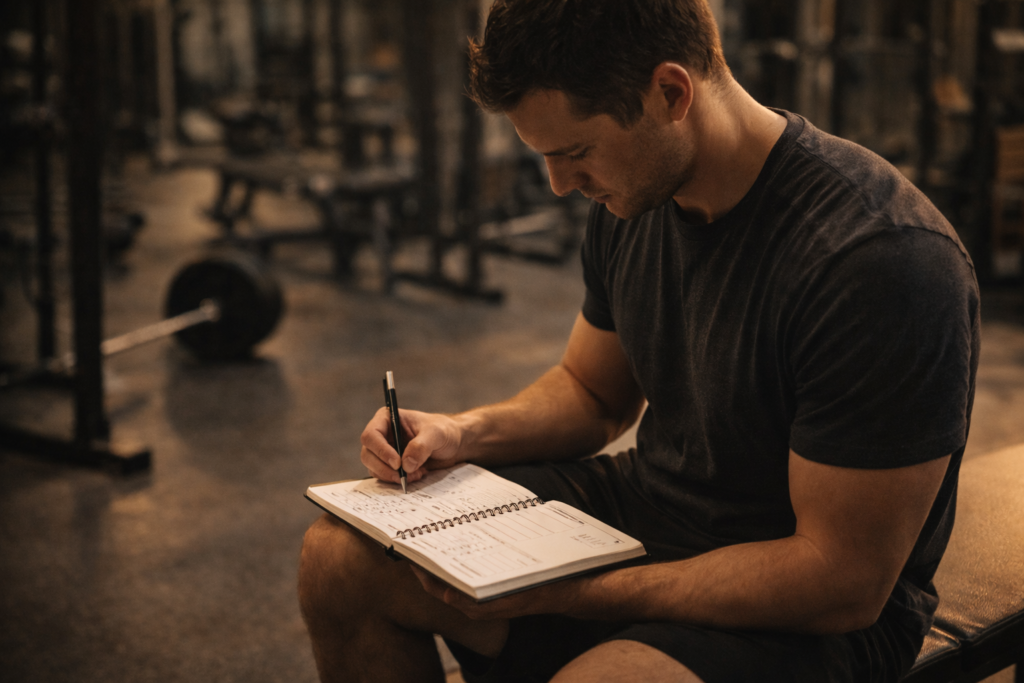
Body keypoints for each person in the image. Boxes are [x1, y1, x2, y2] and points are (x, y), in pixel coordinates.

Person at [297, 1, 980, 681]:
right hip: (649, 512)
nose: (561, 186)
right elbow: (592, 394)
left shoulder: (880, 259)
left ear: (671, 93)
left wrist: (569, 592)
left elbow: (841, 580)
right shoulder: (636, 196)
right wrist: (461, 431)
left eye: (576, 152)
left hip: (806, 603)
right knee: (340, 560)